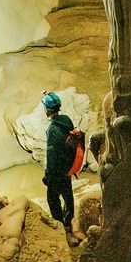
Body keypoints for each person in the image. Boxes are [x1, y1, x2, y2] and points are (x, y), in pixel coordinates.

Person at [41, 90, 77, 236]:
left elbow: (51, 154)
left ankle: (60, 226)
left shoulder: (53, 129)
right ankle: (69, 221)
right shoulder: (66, 120)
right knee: (67, 194)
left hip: (57, 170)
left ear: (47, 110)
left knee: (52, 197)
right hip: (68, 167)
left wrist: (48, 175)